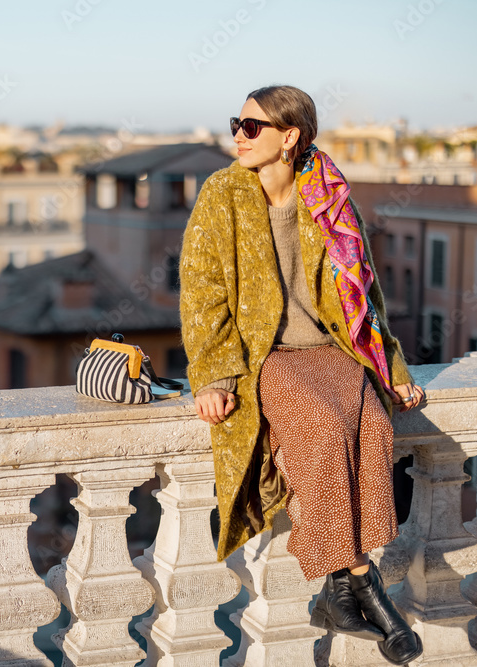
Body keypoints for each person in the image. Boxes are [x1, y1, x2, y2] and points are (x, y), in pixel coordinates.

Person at [178, 85, 424, 665]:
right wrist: (212, 376)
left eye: (252, 127)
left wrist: (391, 368)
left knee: (369, 424)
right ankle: (365, 585)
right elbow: (202, 292)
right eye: (236, 123)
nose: (238, 134)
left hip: (332, 349)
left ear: (290, 138)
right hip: (266, 356)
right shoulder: (221, 194)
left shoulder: (330, 193)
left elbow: (363, 292)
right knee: (317, 427)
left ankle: (339, 593)